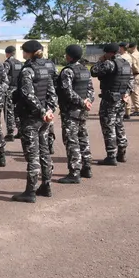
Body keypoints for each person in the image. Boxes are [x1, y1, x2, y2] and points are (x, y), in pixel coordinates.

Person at [11, 40, 57, 203]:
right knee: (44, 152)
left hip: (31, 118)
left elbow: (28, 95)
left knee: (32, 155)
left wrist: (43, 111)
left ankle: (30, 192)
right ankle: (46, 185)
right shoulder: (45, 69)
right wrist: (49, 111)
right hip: (44, 118)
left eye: (23, 51)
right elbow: (52, 93)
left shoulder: (28, 70)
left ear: (27, 52)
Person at [56, 45, 94, 184]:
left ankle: (74, 172)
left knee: (72, 141)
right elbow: (90, 90)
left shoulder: (68, 71)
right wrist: (87, 102)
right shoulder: (85, 70)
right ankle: (87, 168)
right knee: (83, 138)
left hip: (71, 111)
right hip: (82, 111)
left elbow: (67, 91)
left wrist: (82, 102)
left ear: (69, 56)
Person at [91, 43, 132, 166]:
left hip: (110, 99)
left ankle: (111, 155)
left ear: (109, 53)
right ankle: (122, 152)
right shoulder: (125, 63)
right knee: (119, 125)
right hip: (121, 98)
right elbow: (131, 81)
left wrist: (100, 61)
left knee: (108, 126)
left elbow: (94, 71)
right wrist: (127, 93)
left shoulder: (110, 63)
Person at [2, 45, 22, 141]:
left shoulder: (7, 63)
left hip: (9, 90)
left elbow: (3, 76)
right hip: (18, 90)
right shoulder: (19, 63)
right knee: (17, 111)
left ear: (7, 53)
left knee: (9, 111)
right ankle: (20, 131)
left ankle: (10, 133)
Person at [118, 42, 134, 119]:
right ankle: (128, 112)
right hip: (129, 76)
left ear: (121, 48)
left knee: (123, 94)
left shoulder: (121, 57)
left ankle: (125, 112)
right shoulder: (130, 56)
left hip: (122, 76)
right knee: (128, 93)